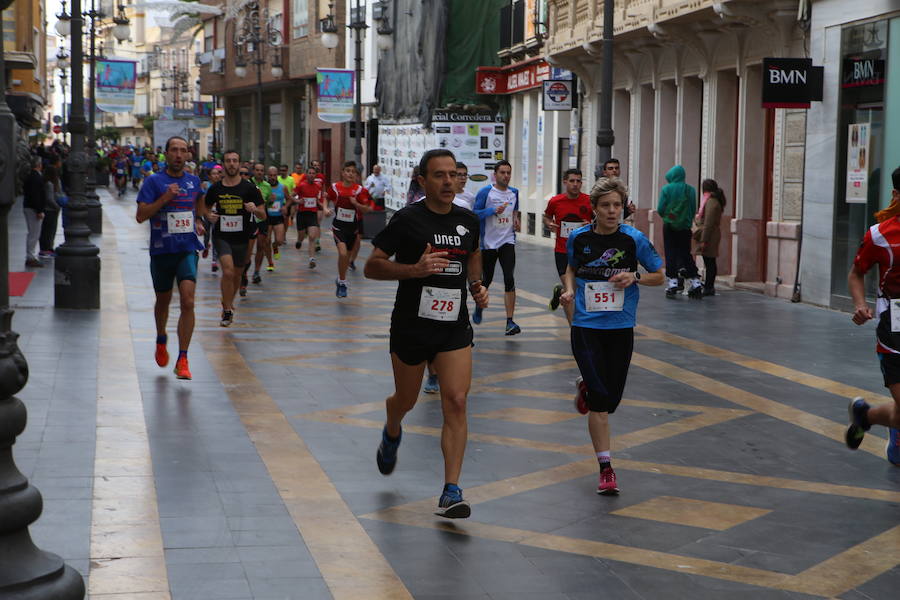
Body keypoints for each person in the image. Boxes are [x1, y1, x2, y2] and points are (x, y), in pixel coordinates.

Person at [364, 148, 488, 519]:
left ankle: (451, 490)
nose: (449, 181)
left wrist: (477, 285)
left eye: (453, 174)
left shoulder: (468, 220)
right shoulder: (407, 220)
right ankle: (392, 424)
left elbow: (474, 255)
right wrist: (414, 270)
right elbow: (372, 267)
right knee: (407, 399)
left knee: (457, 400)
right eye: (439, 175)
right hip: (411, 327)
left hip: (453, 328)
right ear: (422, 181)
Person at [560, 177, 664, 494]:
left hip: (620, 328)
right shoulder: (579, 238)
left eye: (617, 205)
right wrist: (568, 291)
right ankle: (606, 468)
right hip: (586, 327)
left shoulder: (634, 240)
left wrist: (635, 277)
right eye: (605, 205)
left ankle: (586, 387)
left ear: (623, 207)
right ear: (593, 209)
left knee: (612, 399)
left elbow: (660, 275)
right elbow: (571, 269)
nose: (611, 211)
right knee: (601, 404)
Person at [135, 136, 205, 380]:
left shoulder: (195, 182)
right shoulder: (153, 182)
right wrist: (165, 198)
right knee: (163, 300)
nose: (178, 154)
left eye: (183, 150)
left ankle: (183, 358)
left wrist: (200, 221)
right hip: (161, 250)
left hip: (186, 248)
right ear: (165, 153)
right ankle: (161, 337)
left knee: (187, 301)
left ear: (188, 155)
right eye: (174, 150)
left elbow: (200, 208)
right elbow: (140, 216)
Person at [846, 166, 900, 466]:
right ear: (896, 195)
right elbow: (856, 273)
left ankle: (865, 416)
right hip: (894, 327)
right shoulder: (879, 235)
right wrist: (860, 304)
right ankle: (868, 416)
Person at [204, 150, 265, 327]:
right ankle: (228, 309)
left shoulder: (249, 188)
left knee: (238, 274)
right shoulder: (216, 188)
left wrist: (255, 209)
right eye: (228, 161)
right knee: (228, 271)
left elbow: (263, 215)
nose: (231, 164)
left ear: (239, 164)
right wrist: (209, 215)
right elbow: (204, 208)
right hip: (222, 236)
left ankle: (228, 301)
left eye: (235, 161)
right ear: (223, 164)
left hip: (242, 237)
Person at [472, 160, 521, 335]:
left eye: (508, 172)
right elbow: (474, 214)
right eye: (502, 172)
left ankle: (510, 321)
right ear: (495, 174)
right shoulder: (486, 192)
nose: (506, 176)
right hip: (489, 243)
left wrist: (516, 220)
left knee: (510, 278)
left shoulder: (514, 192)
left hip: (507, 240)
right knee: (487, 279)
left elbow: (515, 211)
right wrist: (491, 211)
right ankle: (479, 307)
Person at [544, 168, 592, 324]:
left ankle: (560, 291)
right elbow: (546, 216)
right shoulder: (555, 201)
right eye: (572, 181)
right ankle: (574, 328)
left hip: (584, 251)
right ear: (565, 182)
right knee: (571, 292)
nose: (576, 184)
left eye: (579, 181)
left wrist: (590, 224)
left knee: (575, 289)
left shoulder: (589, 201)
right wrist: (549, 224)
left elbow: (598, 221)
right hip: (562, 251)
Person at [326, 161, 372, 298]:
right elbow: (326, 198)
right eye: (348, 171)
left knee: (347, 257)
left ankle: (340, 278)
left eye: (353, 172)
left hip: (352, 228)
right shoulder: (335, 188)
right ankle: (343, 282)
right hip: (338, 226)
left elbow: (368, 209)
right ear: (343, 172)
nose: (350, 174)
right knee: (343, 253)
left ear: (356, 175)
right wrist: (325, 208)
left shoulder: (360, 190)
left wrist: (356, 204)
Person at [658, 164, 702, 299]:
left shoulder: (666, 189)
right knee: (685, 254)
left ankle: (673, 282)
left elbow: (660, 208)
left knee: (670, 252)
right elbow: (693, 208)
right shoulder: (691, 190)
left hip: (670, 226)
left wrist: (668, 218)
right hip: (684, 227)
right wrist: (686, 221)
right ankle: (695, 281)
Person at [290, 165, 329, 268]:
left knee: (312, 237)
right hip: (302, 214)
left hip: (312, 214)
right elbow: (291, 196)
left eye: (313, 173)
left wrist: (324, 209)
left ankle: (312, 259)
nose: (311, 175)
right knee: (302, 235)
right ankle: (299, 241)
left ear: (315, 175)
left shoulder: (318, 187)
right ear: (306, 174)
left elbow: (319, 200)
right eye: (309, 173)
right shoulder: (301, 185)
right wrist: (298, 201)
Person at [692, 179, 726, 296]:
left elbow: (708, 223)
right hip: (712, 234)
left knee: (710, 261)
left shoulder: (711, 202)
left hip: (710, 235)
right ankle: (708, 285)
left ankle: (709, 286)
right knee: (709, 260)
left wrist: (704, 240)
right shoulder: (713, 200)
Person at [250, 162, 274, 282]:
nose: (259, 172)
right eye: (257, 170)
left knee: (261, 245)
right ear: (253, 171)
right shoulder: (248, 183)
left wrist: (271, 201)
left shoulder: (267, 186)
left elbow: (267, 204)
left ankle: (256, 271)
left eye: (261, 170)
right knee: (248, 248)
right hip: (249, 220)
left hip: (262, 219)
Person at [22, 157, 45, 268]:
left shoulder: (31, 176)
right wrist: (39, 210)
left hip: (29, 207)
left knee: (34, 233)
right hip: (33, 209)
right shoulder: (36, 177)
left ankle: (31, 256)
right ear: (39, 165)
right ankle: (30, 257)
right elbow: (36, 195)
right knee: (34, 233)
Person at [39, 165, 63, 258]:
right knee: (48, 230)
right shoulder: (49, 184)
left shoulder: (49, 183)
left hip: (51, 210)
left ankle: (48, 247)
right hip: (50, 210)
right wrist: (57, 206)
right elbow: (49, 199)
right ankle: (46, 248)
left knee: (50, 230)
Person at [265, 166, 289, 260]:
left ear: (277, 175)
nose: (272, 177)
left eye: (274, 175)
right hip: (267, 217)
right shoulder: (264, 187)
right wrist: (268, 201)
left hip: (278, 217)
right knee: (266, 241)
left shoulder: (283, 187)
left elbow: (289, 199)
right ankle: (270, 262)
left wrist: (285, 206)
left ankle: (274, 246)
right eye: (270, 175)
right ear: (267, 176)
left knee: (280, 241)